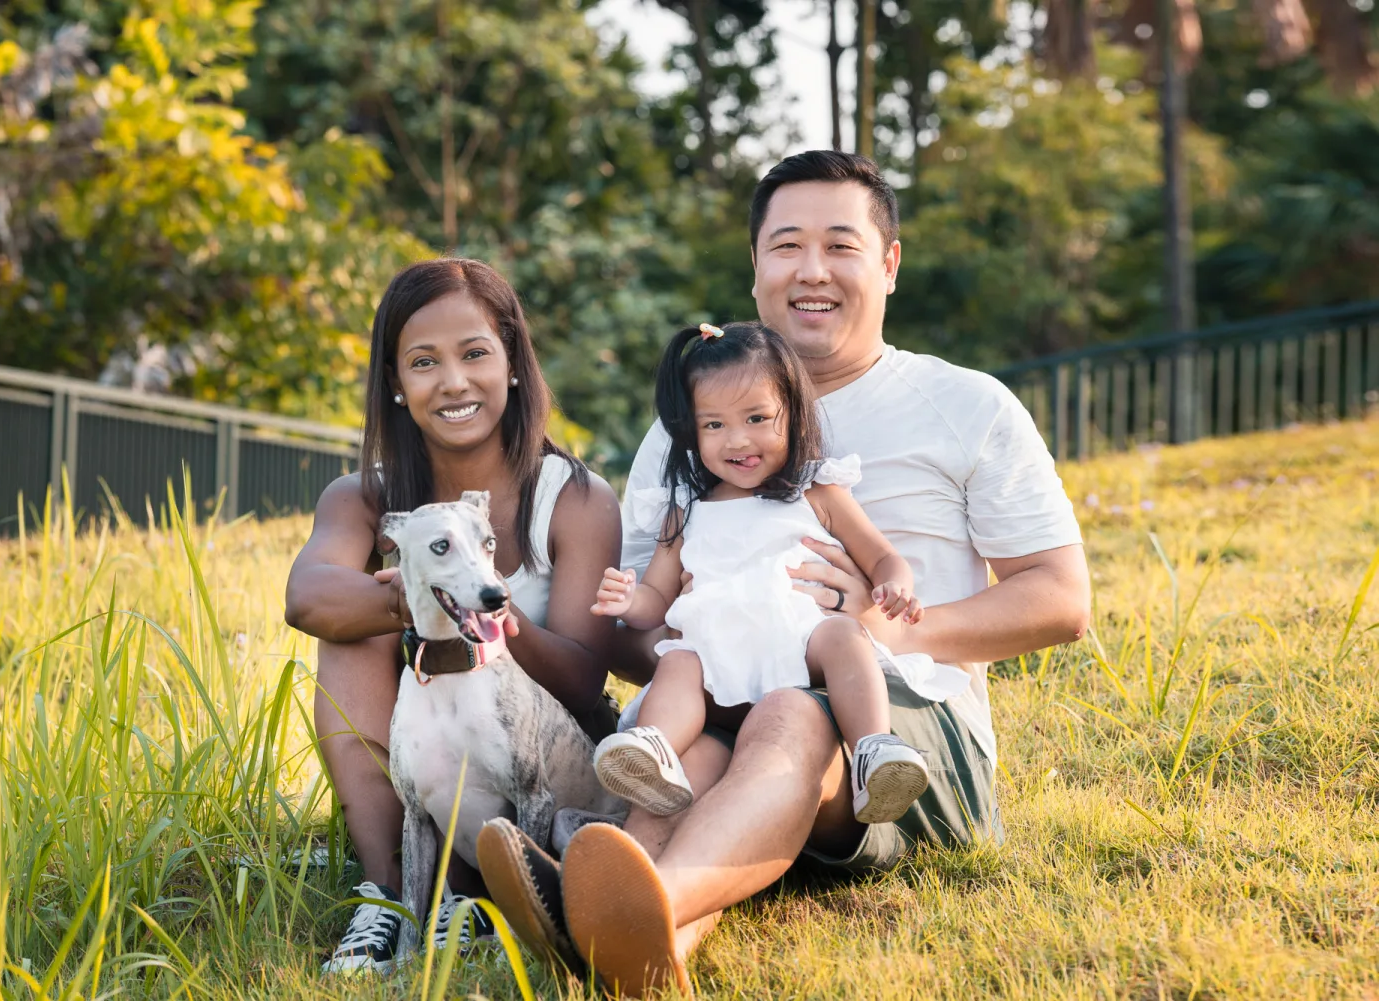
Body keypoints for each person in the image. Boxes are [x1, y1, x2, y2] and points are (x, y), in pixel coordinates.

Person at [476, 150, 1091, 998]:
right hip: (734, 706)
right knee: (679, 758)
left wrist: (886, 624)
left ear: (889, 263)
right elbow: (636, 632)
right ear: (755, 265)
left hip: (902, 736)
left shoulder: (967, 404)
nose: (812, 271)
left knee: (786, 714)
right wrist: (689, 623)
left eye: (840, 245)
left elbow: (1060, 601)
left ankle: (617, 905)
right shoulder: (691, 426)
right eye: (786, 246)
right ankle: (644, 940)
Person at [284, 258, 622, 974]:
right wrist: (414, 597)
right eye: (423, 362)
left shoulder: (575, 498)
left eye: (475, 353)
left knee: (432, 637)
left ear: (513, 364)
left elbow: (584, 680)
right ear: (397, 386)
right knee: (353, 632)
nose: (454, 381)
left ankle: (484, 896)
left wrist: (487, 615)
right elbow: (307, 597)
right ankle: (389, 896)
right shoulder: (367, 497)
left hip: (532, 761)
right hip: (429, 772)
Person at [589, 320, 931, 826]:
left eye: (756, 418)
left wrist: (894, 583)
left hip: (799, 640)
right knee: (679, 663)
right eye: (714, 425)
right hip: (714, 651)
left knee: (844, 635)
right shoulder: (684, 509)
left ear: (791, 413)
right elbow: (658, 601)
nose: (738, 440)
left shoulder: (817, 491)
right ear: (691, 432)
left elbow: (881, 556)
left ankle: (872, 752)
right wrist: (628, 601)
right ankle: (655, 753)